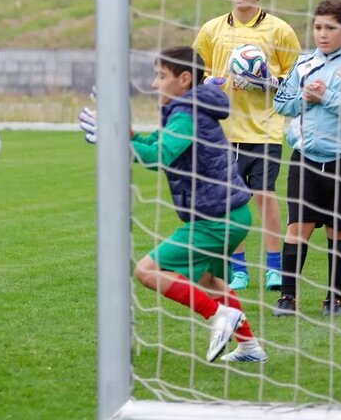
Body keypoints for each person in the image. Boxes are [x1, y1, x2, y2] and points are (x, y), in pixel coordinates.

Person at [79, 47, 267, 363]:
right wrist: (122, 133)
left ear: (184, 79)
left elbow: (157, 157)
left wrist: (115, 140)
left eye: (161, 76)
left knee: (147, 271)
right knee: (210, 281)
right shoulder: (191, 109)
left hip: (216, 220)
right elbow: (155, 143)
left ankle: (217, 316)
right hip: (231, 215)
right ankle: (250, 348)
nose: (154, 84)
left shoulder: (187, 113)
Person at [193, 0, 302, 292]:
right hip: (224, 130)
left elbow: (297, 77)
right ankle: (238, 269)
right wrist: (213, 81)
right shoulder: (212, 29)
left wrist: (268, 81)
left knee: (264, 197)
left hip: (265, 128)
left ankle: (274, 268)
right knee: (230, 202)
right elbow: (196, 73)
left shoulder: (279, 29)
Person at [272, 0, 341, 316]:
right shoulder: (304, 63)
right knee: (298, 227)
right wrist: (305, 98)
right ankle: (287, 297)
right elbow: (282, 103)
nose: (322, 34)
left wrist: (328, 96)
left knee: (340, 229)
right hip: (305, 158)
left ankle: (334, 299)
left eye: (330, 28)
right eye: (318, 27)